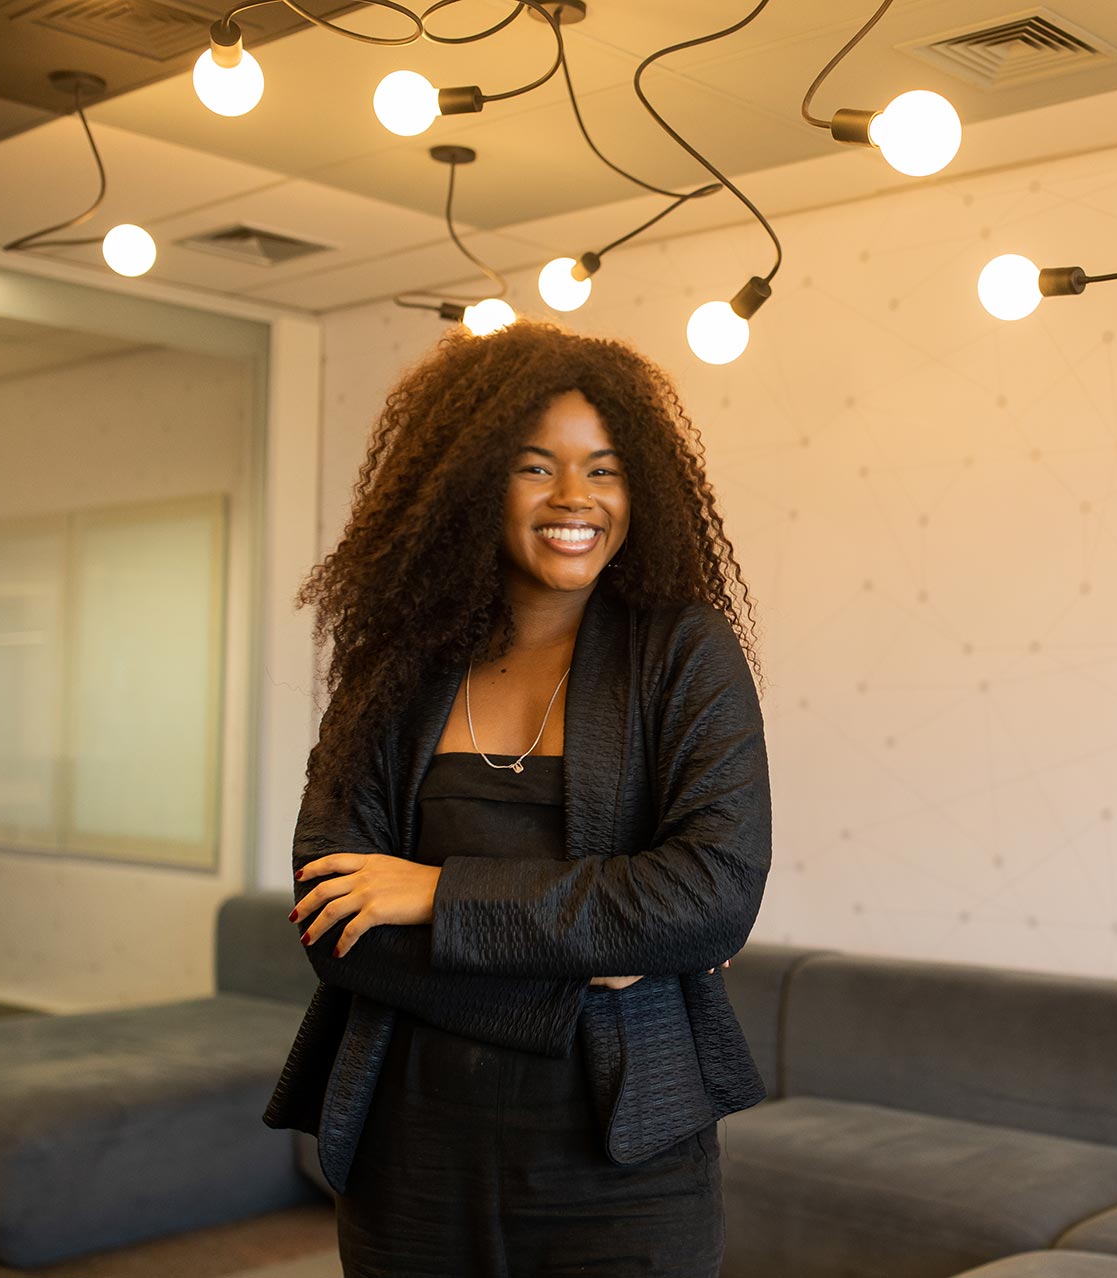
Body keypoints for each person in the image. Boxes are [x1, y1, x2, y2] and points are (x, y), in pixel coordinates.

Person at [261, 319, 772, 1276]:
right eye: (536, 467)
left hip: (625, 1163)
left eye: (605, 469)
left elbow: (711, 896)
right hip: (406, 1154)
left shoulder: (682, 650)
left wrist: (435, 894)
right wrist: (592, 959)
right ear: (469, 484)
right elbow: (329, 915)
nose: (575, 499)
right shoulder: (394, 668)